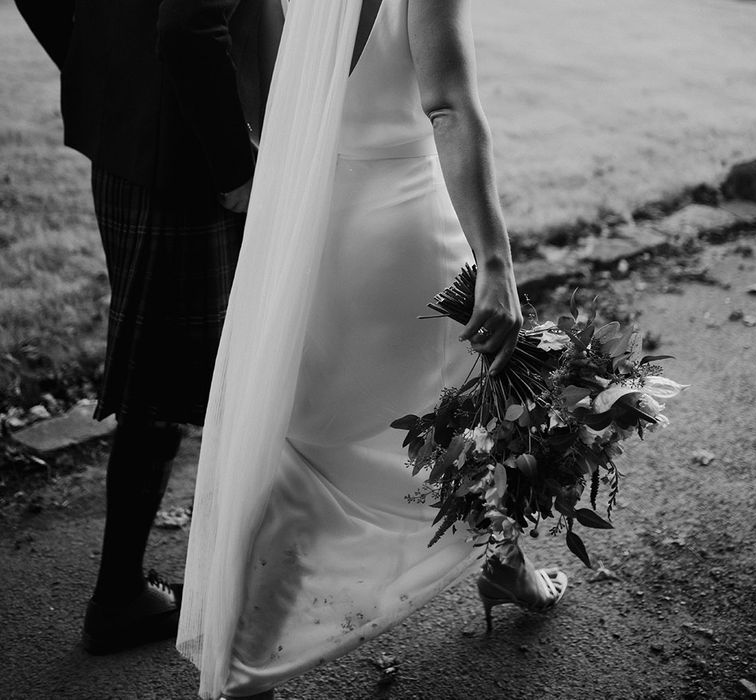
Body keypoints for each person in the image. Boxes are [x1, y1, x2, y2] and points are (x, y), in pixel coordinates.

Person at [176, 1, 567, 698]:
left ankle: (247, 659)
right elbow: (447, 106)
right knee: (480, 397)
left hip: (305, 233)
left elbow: (262, 94)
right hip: (403, 231)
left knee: (306, 441)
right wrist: (496, 261)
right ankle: (505, 563)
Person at [13, 0, 264, 654]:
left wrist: (100, 62)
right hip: (182, 142)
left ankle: (130, 588)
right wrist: (236, 170)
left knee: (170, 366)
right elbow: (187, 27)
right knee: (162, 378)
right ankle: (119, 596)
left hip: (133, 120)